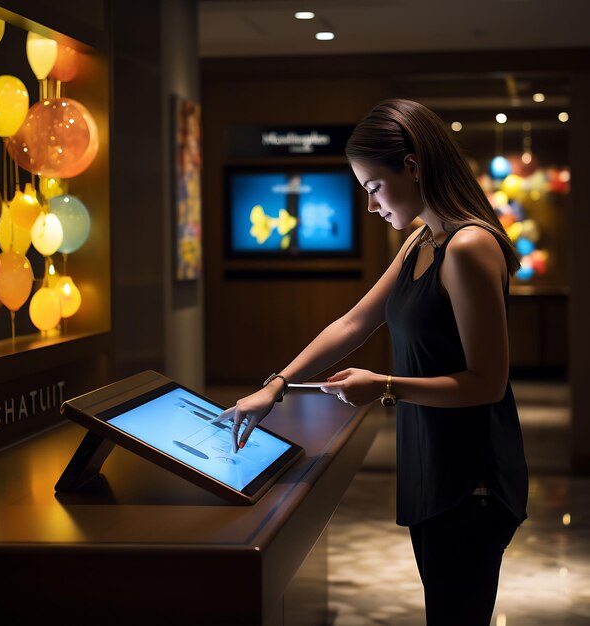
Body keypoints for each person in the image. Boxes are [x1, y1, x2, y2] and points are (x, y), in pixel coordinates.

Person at [213, 98, 529, 626]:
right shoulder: (419, 242)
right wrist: (278, 384)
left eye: (373, 187)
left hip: (472, 477)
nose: (370, 206)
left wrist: (384, 384)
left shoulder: (469, 247)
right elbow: (353, 324)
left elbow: (487, 383)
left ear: (412, 166)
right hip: (433, 462)